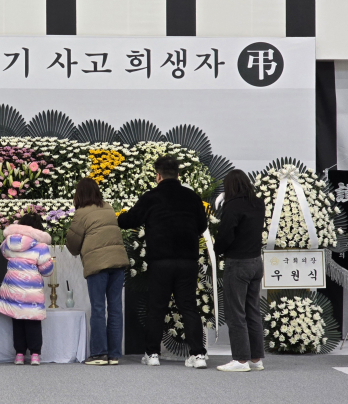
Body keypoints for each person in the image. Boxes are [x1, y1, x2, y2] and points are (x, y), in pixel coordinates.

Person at [117, 155, 208, 369]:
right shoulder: (192, 197)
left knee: (156, 307)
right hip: (187, 261)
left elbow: (131, 220)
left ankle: (153, 354)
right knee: (189, 307)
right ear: (178, 174)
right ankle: (198, 355)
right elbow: (202, 226)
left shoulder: (152, 196)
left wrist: (118, 217)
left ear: (158, 176)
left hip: (160, 262)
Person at [66, 178, 129, 366]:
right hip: (118, 262)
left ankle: (99, 354)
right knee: (116, 309)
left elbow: (73, 244)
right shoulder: (108, 208)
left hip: (98, 265)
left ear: (79, 194)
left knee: (99, 309)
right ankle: (115, 354)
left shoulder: (81, 213)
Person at [214, 170, 266, 372]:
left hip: (238, 263)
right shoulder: (258, 203)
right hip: (256, 262)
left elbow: (226, 234)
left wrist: (217, 250)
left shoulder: (232, 205)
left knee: (236, 313)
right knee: (253, 311)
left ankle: (240, 360)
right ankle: (256, 358)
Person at [0, 213, 54, 366]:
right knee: (33, 320)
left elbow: (3, 252)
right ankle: (35, 354)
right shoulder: (41, 246)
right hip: (32, 289)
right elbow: (47, 271)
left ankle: (19, 354)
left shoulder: (8, 243)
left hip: (13, 287)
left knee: (17, 319)